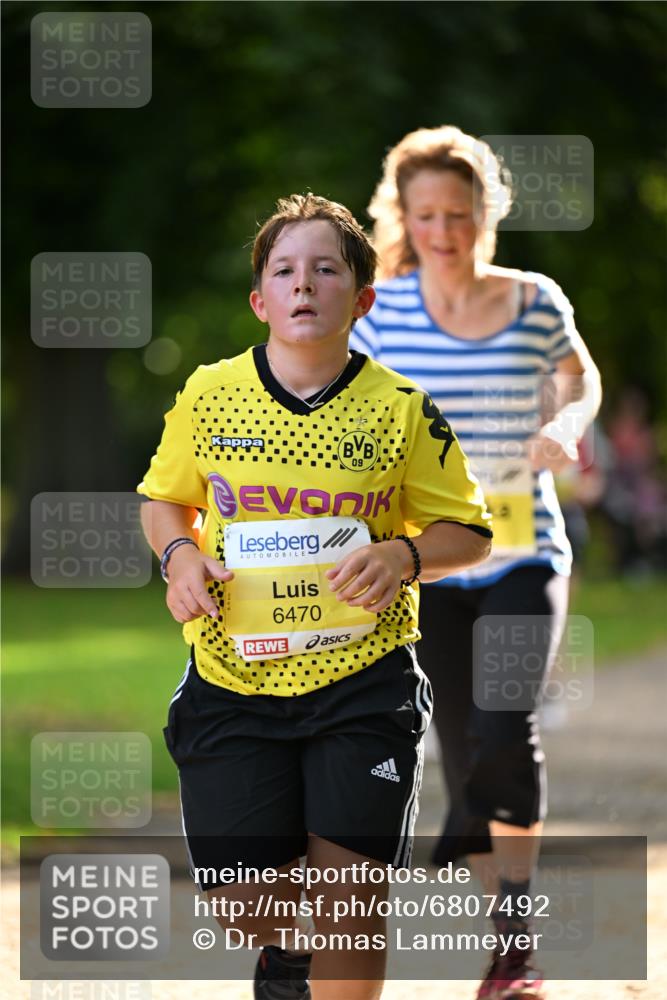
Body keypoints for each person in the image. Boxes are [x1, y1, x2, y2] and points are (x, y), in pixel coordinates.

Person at [138, 192, 492, 1000]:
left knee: (352, 907)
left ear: (360, 299)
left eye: (326, 269)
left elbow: (467, 533)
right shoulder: (209, 394)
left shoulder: (403, 409)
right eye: (285, 270)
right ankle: (284, 953)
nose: (305, 284)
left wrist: (402, 555)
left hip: (363, 680)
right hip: (235, 680)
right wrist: (182, 556)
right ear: (260, 299)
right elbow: (164, 500)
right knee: (246, 907)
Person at [349, 126, 602, 1000]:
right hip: (430, 559)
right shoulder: (379, 310)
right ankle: (500, 925)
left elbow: (578, 377)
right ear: (403, 217)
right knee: (459, 755)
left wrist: (563, 426)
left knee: (504, 727)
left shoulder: (532, 299)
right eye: (426, 215)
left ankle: (515, 948)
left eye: (458, 213)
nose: (444, 231)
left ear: (483, 213)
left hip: (523, 551)